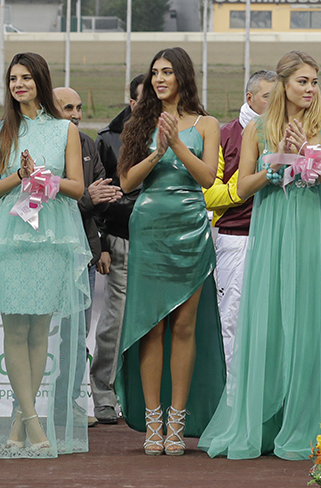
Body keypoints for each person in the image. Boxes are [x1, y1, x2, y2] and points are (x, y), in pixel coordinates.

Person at [200, 51, 321, 459]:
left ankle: (305, 422)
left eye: (314, 82)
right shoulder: (259, 130)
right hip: (269, 232)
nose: (310, 89)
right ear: (283, 84)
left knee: (308, 322)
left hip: (309, 233)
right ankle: (264, 422)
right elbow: (242, 184)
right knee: (268, 321)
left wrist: (308, 158)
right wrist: (276, 165)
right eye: (303, 81)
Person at [0, 52, 91, 458]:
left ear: (40, 79)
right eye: (12, 79)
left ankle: (21, 420)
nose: (18, 84)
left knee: (41, 331)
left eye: (25, 77)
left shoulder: (64, 130)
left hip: (51, 234)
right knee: (14, 330)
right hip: (10, 235)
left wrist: (44, 176)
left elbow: (77, 187)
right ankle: (34, 420)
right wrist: (19, 176)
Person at [117, 47, 225, 455]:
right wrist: (157, 151)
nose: (160, 79)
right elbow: (126, 182)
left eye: (167, 72)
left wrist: (178, 144)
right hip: (149, 226)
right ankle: (152, 422)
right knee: (152, 326)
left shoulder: (207, 124)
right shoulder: (138, 121)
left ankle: (177, 423)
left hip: (190, 226)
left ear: (183, 76)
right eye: (155, 73)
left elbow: (207, 176)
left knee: (183, 326)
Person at [55, 86, 123, 425]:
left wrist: (102, 247)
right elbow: (46, 204)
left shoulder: (86, 143)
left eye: (79, 107)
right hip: (50, 253)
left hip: (83, 255)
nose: (77, 114)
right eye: (69, 107)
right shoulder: (41, 144)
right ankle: (43, 404)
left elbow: (98, 203)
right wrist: (86, 198)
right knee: (44, 333)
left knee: (75, 333)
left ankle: (69, 402)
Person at [203, 69, 275, 366]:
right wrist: (247, 186)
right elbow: (209, 194)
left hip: (277, 236)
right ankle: (230, 398)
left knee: (272, 320)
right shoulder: (224, 135)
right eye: (268, 97)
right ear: (250, 98)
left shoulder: (288, 133)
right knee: (231, 319)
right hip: (237, 238)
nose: (275, 104)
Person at [89, 76, 142, 425]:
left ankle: (147, 397)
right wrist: (104, 243)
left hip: (163, 241)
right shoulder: (108, 139)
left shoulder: (177, 135)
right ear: (132, 101)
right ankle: (103, 392)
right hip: (123, 237)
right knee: (117, 318)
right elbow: (103, 197)